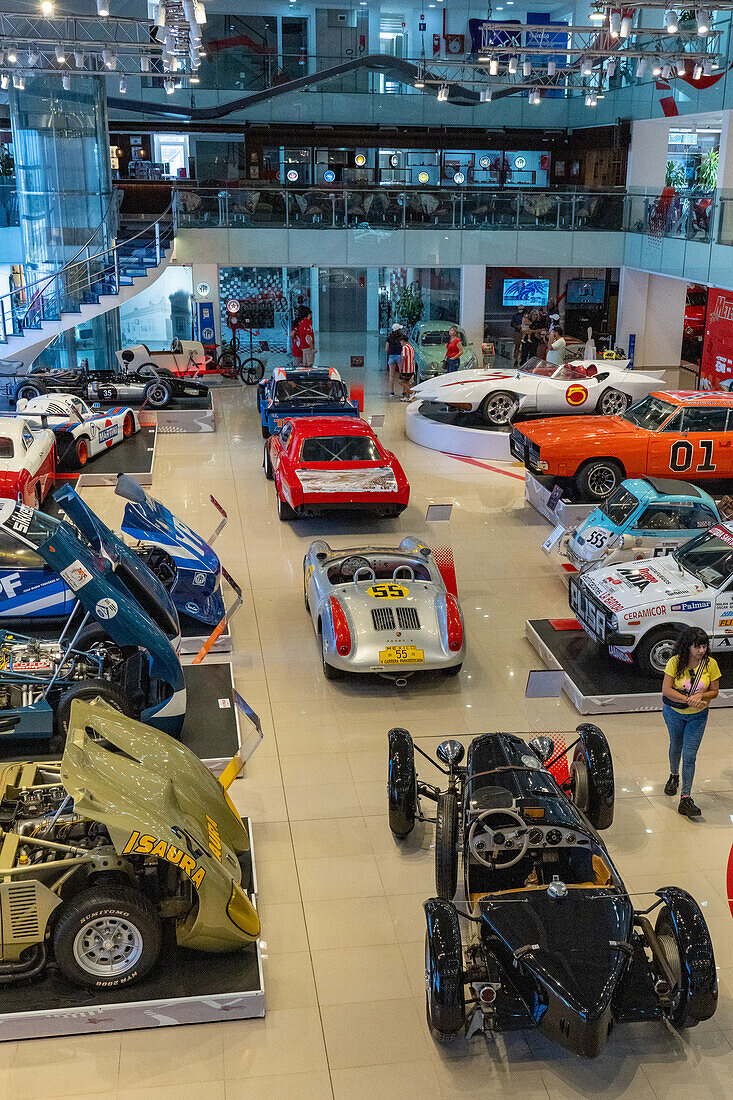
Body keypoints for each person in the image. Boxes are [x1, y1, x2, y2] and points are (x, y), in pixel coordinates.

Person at [661, 627, 720, 818]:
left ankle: (685, 798)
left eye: (704, 646)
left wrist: (700, 695)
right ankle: (673, 775)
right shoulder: (675, 662)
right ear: (688, 646)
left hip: (698, 716)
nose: (701, 650)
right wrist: (688, 699)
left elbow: (715, 691)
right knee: (676, 746)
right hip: (674, 713)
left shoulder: (710, 664)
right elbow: (666, 690)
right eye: (697, 646)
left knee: (690, 755)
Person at [385, 323, 403, 397]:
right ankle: (404, 391)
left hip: (392, 356)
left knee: (391, 375)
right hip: (400, 356)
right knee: (402, 374)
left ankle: (392, 392)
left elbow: (386, 348)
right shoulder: (402, 337)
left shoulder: (389, 337)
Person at [398, 333, 416, 400]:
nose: (401, 344)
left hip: (406, 369)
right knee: (406, 382)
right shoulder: (411, 347)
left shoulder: (405, 347)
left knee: (401, 381)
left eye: (401, 342)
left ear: (403, 341)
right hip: (411, 368)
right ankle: (408, 396)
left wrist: (400, 366)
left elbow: (403, 358)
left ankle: (411, 392)